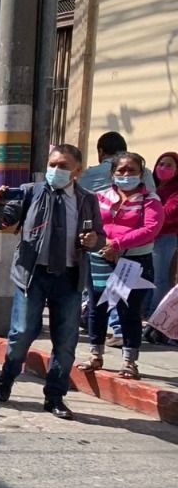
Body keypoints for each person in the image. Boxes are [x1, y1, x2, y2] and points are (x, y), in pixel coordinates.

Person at [0, 144, 105, 419]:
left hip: (69, 277)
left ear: (77, 170)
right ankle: (7, 377)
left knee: (65, 342)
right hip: (33, 275)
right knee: (21, 334)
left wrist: (93, 241)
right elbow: (1, 222)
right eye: (53, 164)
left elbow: (99, 235)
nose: (56, 170)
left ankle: (54, 396)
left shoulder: (87, 199)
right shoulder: (31, 191)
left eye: (64, 166)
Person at [77, 152, 163, 379]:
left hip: (133, 262)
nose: (126, 175)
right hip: (99, 259)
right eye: (121, 171)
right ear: (112, 174)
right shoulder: (99, 197)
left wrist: (117, 244)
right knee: (96, 308)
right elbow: (89, 222)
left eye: (131, 170)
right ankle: (95, 355)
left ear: (141, 173)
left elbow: (150, 229)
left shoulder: (150, 200)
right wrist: (90, 238)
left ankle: (129, 362)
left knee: (129, 312)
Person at [145, 150, 178, 341]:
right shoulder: (153, 188)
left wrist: (150, 218)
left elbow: (169, 213)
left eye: (168, 165)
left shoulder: (174, 191)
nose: (163, 169)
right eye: (160, 164)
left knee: (160, 279)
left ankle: (154, 318)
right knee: (148, 278)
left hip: (165, 238)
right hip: (149, 238)